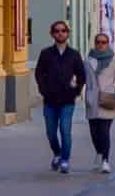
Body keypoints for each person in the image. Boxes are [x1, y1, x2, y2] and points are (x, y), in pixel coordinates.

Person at [35, 20, 86, 173]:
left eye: (63, 30)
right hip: (50, 100)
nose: (60, 33)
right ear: (52, 34)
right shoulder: (46, 54)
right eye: (57, 31)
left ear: (67, 34)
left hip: (67, 100)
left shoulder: (74, 55)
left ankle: (65, 160)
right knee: (51, 132)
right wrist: (43, 89)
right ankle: (57, 153)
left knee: (65, 129)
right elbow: (39, 73)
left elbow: (81, 75)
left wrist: (76, 90)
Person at [84, 31, 115, 173]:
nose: (100, 45)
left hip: (107, 99)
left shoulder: (114, 60)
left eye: (103, 42)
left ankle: (105, 160)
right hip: (92, 99)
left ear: (108, 44)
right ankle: (99, 153)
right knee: (94, 132)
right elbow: (83, 77)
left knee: (104, 131)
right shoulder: (88, 60)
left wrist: (113, 88)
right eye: (98, 42)